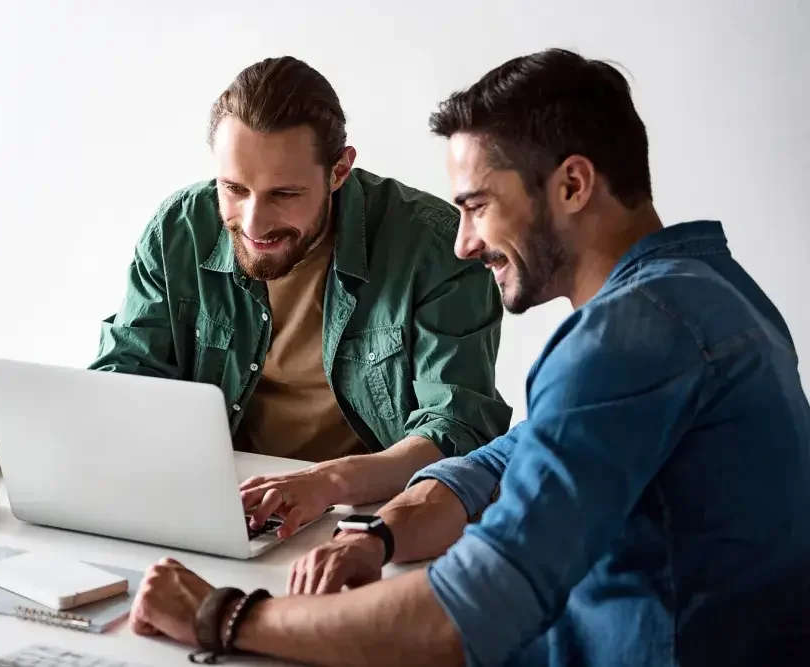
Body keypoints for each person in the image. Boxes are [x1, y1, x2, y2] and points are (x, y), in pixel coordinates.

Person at [127, 49, 810, 667]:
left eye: (478, 206)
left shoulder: (625, 340)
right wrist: (380, 535)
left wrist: (225, 614)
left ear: (572, 185)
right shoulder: (711, 290)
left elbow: (461, 615)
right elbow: (508, 457)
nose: (462, 244)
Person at [89, 56, 512, 537]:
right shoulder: (179, 230)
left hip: (369, 520)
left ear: (339, 171)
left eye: (283, 195)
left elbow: (457, 430)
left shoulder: (439, 249)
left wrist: (326, 481)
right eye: (234, 189)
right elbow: (125, 378)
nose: (253, 224)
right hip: (229, 512)